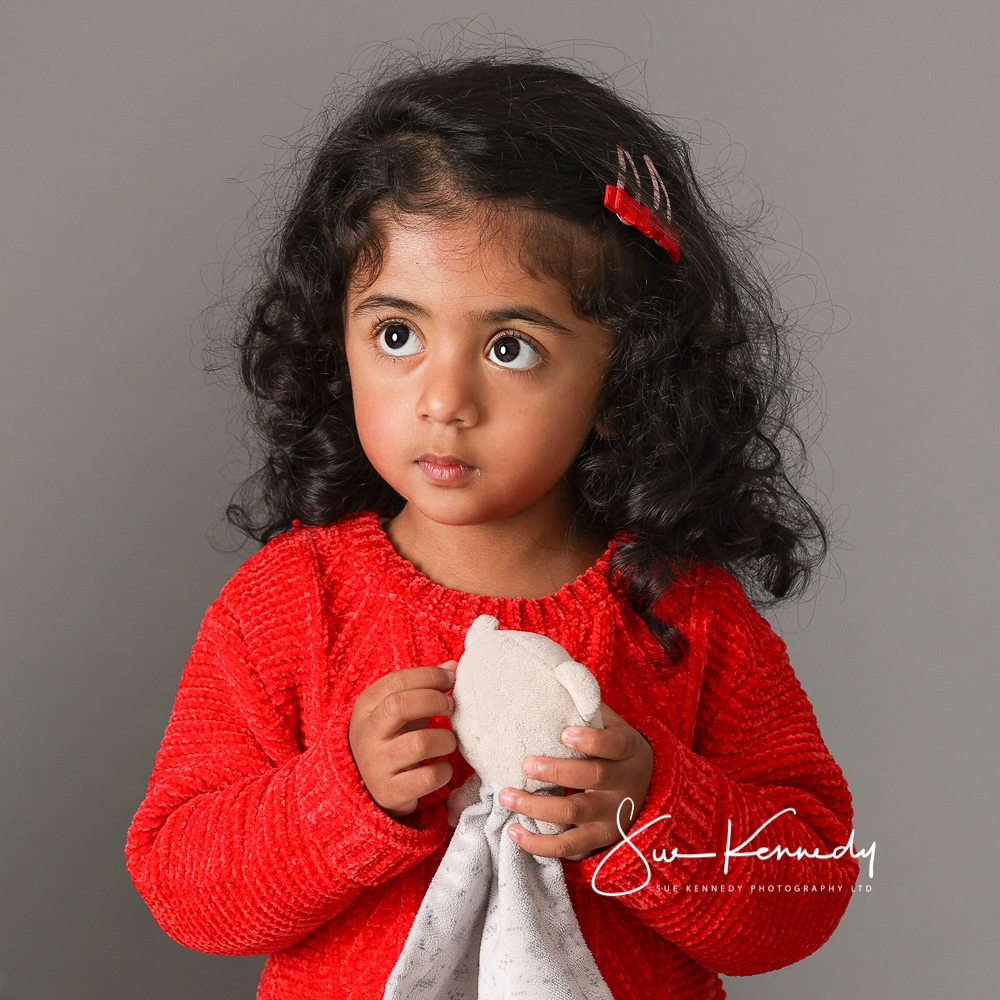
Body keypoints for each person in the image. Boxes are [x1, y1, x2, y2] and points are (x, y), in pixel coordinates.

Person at [126, 54, 859, 1000]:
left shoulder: (686, 613)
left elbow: (807, 887)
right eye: (398, 334)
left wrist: (654, 809)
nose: (443, 399)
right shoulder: (290, 603)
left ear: (624, 376)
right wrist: (342, 794)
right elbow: (181, 886)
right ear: (334, 335)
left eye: (511, 348)